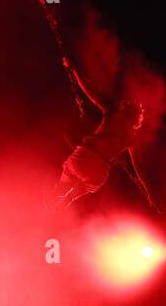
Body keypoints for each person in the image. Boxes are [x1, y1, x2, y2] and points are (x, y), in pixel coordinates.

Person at [51, 68, 145, 208]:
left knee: (62, 184)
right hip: (99, 170)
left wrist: (75, 69)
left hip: (85, 156)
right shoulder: (132, 139)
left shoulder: (112, 112)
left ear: (125, 107)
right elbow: (140, 170)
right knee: (82, 189)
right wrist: (149, 193)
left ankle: (49, 201)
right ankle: (68, 199)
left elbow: (89, 89)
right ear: (137, 120)